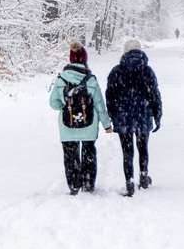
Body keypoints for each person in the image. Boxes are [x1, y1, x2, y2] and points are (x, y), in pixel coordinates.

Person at [49, 42, 112, 195]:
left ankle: (74, 185)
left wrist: (66, 106)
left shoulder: (61, 80)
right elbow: (99, 105)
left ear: (70, 59)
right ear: (85, 59)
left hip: (67, 125)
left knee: (70, 156)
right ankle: (88, 183)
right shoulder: (90, 80)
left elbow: (53, 103)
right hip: (89, 125)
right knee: (88, 153)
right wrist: (107, 125)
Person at [106, 38, 162, 197]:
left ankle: (129, 182)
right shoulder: (147, 71)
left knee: (127, 151)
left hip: (123, 117)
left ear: (125, 51)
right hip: (143, 115)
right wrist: (157, 115)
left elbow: (110, 95)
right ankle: (143, 177)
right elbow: (155, 95)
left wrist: (112, 114)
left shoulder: (116, 71)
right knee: (143, 148)